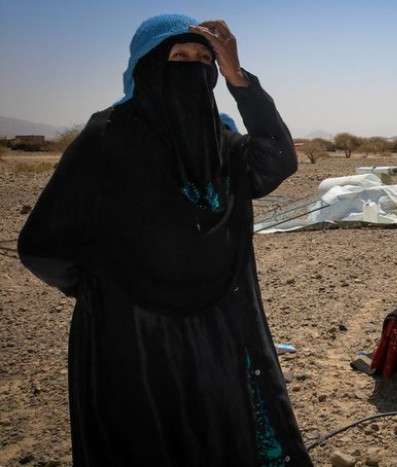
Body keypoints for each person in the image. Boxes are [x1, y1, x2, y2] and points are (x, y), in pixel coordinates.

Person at [18, 14, 312, 466]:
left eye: (203, 59)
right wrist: (102, 287)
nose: (192, 67)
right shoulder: (107, 138)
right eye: (178, 57)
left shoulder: (221, 142)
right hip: (133, 337)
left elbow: (278, 160)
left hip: (217, 330)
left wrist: (239, 78)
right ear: (149, 65)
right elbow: (42, 245)